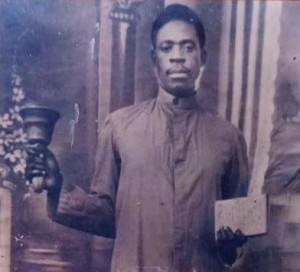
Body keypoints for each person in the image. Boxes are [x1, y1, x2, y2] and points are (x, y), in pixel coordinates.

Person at [26, 4, 248, 272]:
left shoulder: (228, 138)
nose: (177, 57)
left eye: (188, 47)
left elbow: (237, 233)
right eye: (167, 48)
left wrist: (231, 245)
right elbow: (107, 217)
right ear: (154, 59)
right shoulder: (120, 127)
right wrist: (57, 186)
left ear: (202, 57)